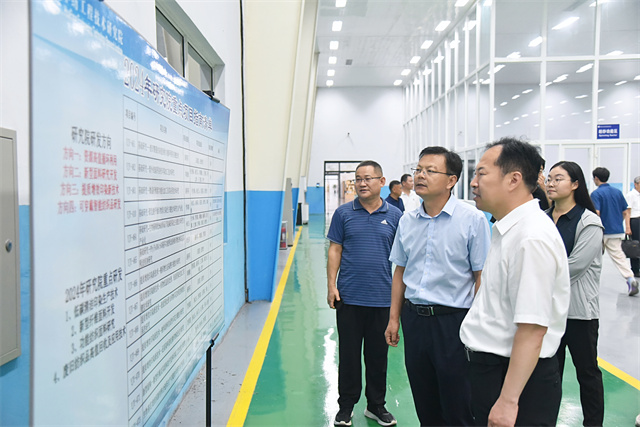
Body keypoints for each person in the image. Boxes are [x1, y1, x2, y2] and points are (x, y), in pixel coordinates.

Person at [459, 137, 570, 427]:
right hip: (494, 371)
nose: (473, 182)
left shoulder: (530, 238)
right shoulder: (508, 229)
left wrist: (508, 400)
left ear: (513, 179)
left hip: (515, 381)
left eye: (481, 173)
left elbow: (532, 329)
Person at [385, 147, 490, 426]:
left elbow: (481, 276)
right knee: (425, 401)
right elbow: (400, 271)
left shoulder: (472, 220)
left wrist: (476, 324)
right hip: (414, 320)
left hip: (454, 322)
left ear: (451, 180)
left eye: (430, 171)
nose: (420, 176)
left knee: (458, 405)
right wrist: (394, 319)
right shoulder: (407, 221)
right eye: (418, 170)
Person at [327, 160, 403, 427]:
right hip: (349, 298)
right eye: (358, 179)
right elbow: (335, 249)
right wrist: (331, 285)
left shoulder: (395, 216)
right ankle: (346, 407)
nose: (362, 183)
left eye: (368, 178)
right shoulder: (343, 213)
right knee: (348, 356)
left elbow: (402, 260)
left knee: (377, 357)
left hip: (382, 299)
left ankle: (376, 406)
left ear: (381, 182)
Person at [546, 161, 605, 427]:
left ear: (575, 184)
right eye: (549, 178)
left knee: (587, 373)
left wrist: (533, 273)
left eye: (558, 178)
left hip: (579, 313)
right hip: (547, 312)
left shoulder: (589, 222)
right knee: (547, 374)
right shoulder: (543, 218)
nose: (551, 183)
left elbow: (575, 267)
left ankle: (593, 423)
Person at [591, 167, 638, 296]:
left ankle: (590, 284)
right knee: (619, 257)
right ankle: (630, 279)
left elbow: (597, 213)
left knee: (593, 258)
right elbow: (625, 211)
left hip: (601, 231)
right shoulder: (617, 192)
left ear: (596, 178)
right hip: (616, 230)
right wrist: (620, 223)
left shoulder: (596, 194)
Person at [625, 176, 640, 280]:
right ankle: (635, 269)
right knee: (635, 245)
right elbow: (627, 212)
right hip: (635, 221)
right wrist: (628, 227)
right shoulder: (631, 195)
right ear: (636, 184)